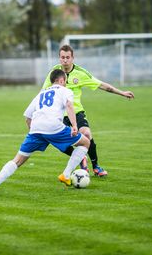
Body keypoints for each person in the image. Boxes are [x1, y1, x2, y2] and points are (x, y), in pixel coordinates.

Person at [0, 69, 90, 192]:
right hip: (53, 126)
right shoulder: (65, 90)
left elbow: (28, 118)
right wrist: (74, 125)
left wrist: (34, 132)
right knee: (85, 142)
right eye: (65, 81)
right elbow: (69, 105)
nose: (65, 84)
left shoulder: (41, 94)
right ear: (61, 80)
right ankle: (66, 175)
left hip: (35, 128)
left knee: (17, 160)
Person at [42, 45, 135, 177]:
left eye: (68, 57)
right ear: (59, 58)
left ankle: (96, 166)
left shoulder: (80, 73)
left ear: (72, 58)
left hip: (76, 111)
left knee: (86, 133)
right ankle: (80, 157)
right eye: (62, 57)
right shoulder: (54, 72)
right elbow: (44, 92)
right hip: (58, 113)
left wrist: (122, 93)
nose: (65, 60)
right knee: (57, 140)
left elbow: (102, 85)